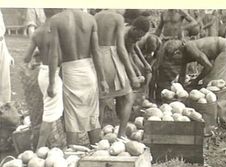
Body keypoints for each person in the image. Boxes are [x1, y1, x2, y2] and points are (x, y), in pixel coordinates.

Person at [48, 9, 107, 146]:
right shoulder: (90, 19)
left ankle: (72, 156)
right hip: (88, 70)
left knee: (72, 118)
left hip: (70, 72)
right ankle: (97, 153)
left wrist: (51, 83)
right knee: (93, 115)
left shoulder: (57, 20)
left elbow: (54, 54)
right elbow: (96, 52)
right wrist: (102, 79)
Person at [95, 9, 140, 139]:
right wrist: (132, 75)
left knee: (101, 101)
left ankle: (96, 138)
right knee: (128, 97)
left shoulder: (95, 16)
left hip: (96, 58)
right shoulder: (117, 18)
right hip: (111, 58)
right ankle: (121, 134)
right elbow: (121, 48)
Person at [24, 8, 63, 149]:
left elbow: (26, 57)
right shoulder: (53, 32)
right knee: (49, 115)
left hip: (42, 72)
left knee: (52, 112)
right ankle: (39, 149)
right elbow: (54, 58)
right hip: (51, 75)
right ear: (58, 13)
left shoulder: (37, 32)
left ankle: (56, 143)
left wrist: (36, 60)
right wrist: (52, 83)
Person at [165, 37, 226, 106]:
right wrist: (179, 89)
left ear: (177, 52)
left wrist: (196, 81)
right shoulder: (183, 54)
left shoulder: (190, 48)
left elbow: (208, 66)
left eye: (174, 59)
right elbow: (182, 75)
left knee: (211, 84)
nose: (176, 62)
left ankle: (216, 113)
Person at [125, 16, 152, 99]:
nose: (139, 38)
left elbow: (135, 47)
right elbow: (127, 56)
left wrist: (145, 63)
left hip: (130, 53)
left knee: (148, 71)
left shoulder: (134, 33)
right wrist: (136, 71)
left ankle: (143, 95)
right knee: (133, 75)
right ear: (134, 29)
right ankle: (130, 96)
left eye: (141, 37)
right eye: (139, 36)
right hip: (122, 56)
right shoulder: (125, 35)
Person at [0, 10, 14, 104]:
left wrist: (8, 54)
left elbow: (2, 36)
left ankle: (4, 109)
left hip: (1, 45)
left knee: (4, 80)